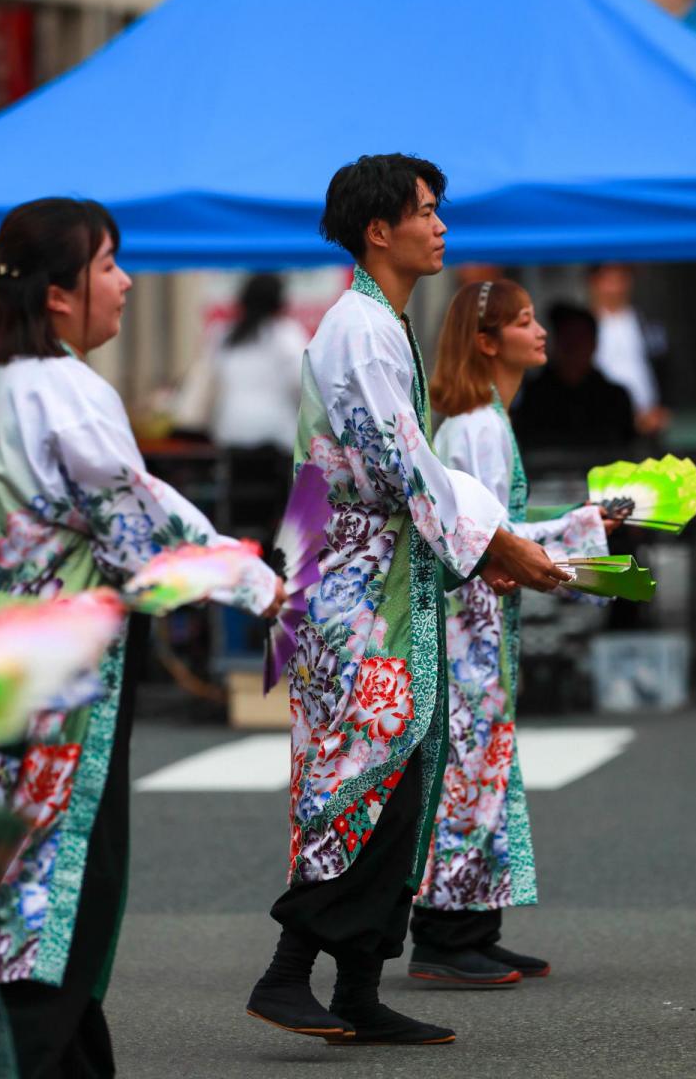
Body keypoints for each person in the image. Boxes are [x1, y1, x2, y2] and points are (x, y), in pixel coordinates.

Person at [246, 153, 570, 1047]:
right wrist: (498, 544)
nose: (440, 225)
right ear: (377, 230)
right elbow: (404, 465)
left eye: (439, 209)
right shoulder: (359, 328)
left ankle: (354, 987)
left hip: (389, 585)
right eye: (425, 211)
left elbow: (413, 471)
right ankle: (287, 975)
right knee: (362, 786)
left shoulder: (379, 322)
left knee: (400, 786)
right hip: (360, 599)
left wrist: (491, 548)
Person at [0, 198, 283, 1079]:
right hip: (60, 683)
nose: (125, 283)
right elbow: (143, 533)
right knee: (64, 880)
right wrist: (260, 585)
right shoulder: (65, 391)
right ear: (58, 294)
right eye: (110, 264)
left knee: (13, 870)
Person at [409, 279, 608, 984]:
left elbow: (497, 531)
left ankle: (473, 923)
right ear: (486, 341)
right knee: (468, 768)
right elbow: (492, 537)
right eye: (524, 322)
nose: (540, 331)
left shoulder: (482, 415)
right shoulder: (477, 425)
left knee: (481, 766)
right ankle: (444, 932)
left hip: (479, 618)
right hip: (469, 622)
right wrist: (578, 527)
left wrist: (576, 523)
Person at [173, 271, 307, 453]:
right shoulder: (287, 335)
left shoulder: (222, 335)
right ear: (279, 301)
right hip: (278, 433)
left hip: (230, 430)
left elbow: (205, 381)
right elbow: (302, 384)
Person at [512, 302, 636, 449]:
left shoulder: (615, 397)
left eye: (580, 339)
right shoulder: (533, 395)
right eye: (567, 338)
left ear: (594, 343)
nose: (573, 347)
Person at [587, 262, 670, 438]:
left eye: (621, 280)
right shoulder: (585, 325)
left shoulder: (646, 321)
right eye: (608, 280)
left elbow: (665, 364)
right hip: (600, 424)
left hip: (648, 422)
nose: (615, 288)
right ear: (594, 282)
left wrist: (662, 409)